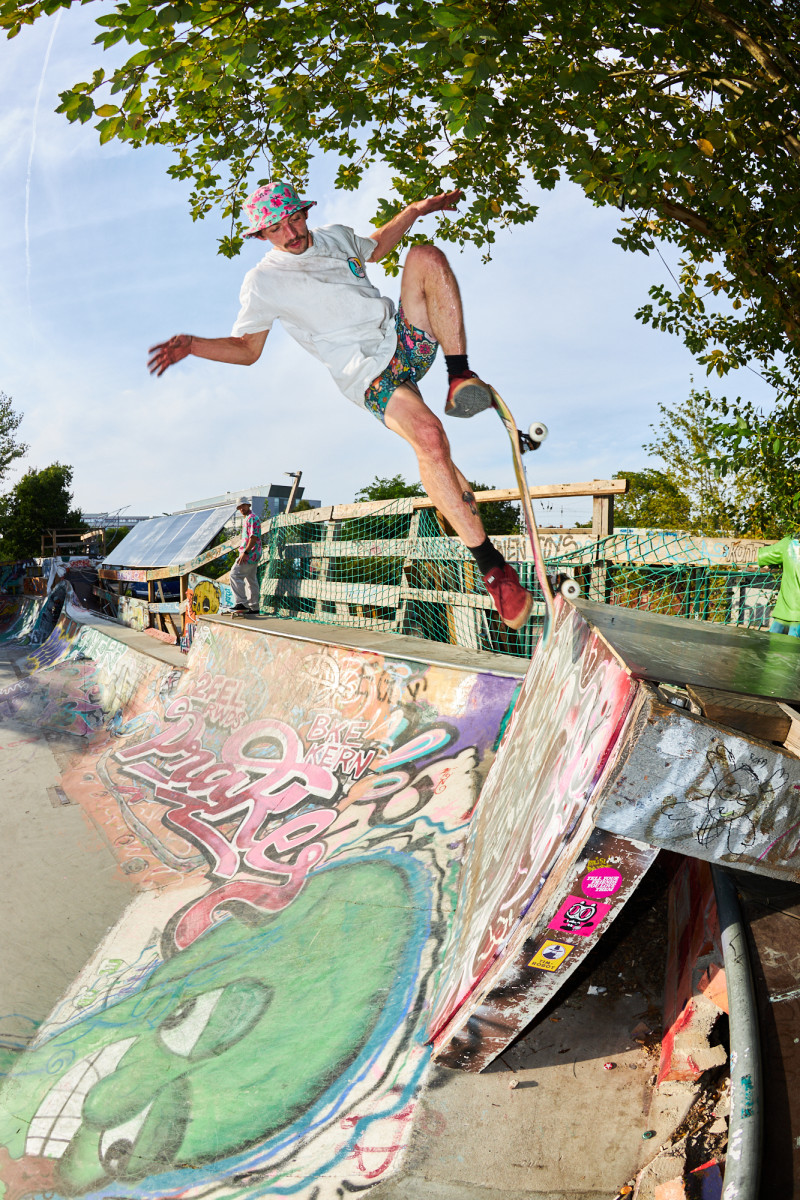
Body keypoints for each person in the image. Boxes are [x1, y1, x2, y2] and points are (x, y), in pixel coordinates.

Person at [148, 181, 533, 629]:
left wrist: (415, 209)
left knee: (426, 256)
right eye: (276, 229)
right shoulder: (263, 281)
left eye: (294, 219)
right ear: (261, 236)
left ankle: (459, 374)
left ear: (305, 212)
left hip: (403, 338)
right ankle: (495, 570)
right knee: (429, 439)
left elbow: (379, 245)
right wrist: (194, 345)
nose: (291, 233)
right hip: (368, 377)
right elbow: (248, 349)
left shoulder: (335, 236)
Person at [758, 535, 800, 637]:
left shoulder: (788, 543)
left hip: (784, 611)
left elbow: (761, 557)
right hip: (791, 615)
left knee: (773, 648)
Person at [230, 495, 262, 615]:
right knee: (251, 580)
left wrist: (246, 552)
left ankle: (242, 603)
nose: (241, 508)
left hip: (250, 553)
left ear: (248, 505)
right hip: (254, 554)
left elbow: (253, 537)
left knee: (234, 574)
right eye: (239, 507)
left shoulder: (252, 518)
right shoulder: (248, 518)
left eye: (243, 505)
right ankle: (254, 607)